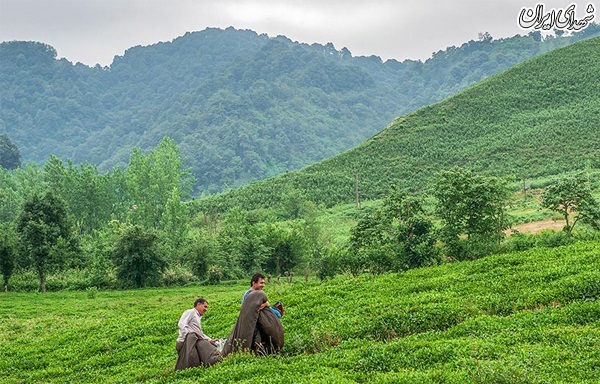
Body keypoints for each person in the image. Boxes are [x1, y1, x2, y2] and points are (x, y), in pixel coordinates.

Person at [222, 273, 284, 356]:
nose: (263, 285)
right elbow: (252, 309)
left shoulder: (258, 294)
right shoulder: (249, 294)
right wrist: (265, 305)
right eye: (261, 283)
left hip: (261, 326)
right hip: (253, 328)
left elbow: (266, 306)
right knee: (256, 347)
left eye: (264, 283)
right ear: (253, 283)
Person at [174, 298, 221, 371]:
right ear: (198, 304)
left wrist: (209, 340)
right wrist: (189, 336)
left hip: (192, 341)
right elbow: (181, 324)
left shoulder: (197, 317)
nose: (206, 309)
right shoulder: (191, 312)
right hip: (184, 342)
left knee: (196, 362)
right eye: (205, 306)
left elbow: (199, 333)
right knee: (189, 362)